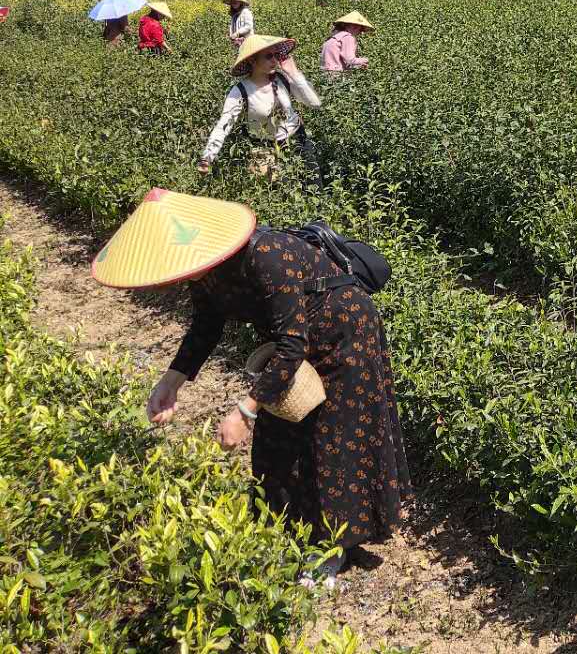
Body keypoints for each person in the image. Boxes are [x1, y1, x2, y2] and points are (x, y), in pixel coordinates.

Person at [94, 188, 409, 579]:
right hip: (298, 339)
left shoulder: (266, 255)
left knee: (330, 440)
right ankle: (291, 528)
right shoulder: (204, 270)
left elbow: (292, 344)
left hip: (344, 334)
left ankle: (332, 550)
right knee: (280, 438)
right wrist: (171, 381)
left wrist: (244, 411)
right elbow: (206, 326)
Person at [199, 35, 323, 181]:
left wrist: (295, 73)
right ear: (252, 60)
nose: (275, 60)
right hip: (265, 149)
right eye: (269, 56)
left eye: (277, 55)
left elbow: (314, 103)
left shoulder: (282, 78)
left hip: (298, 141)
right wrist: (207, 157)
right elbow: (224, 125)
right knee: (278, 195)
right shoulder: (240, 91)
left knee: (313, 188)